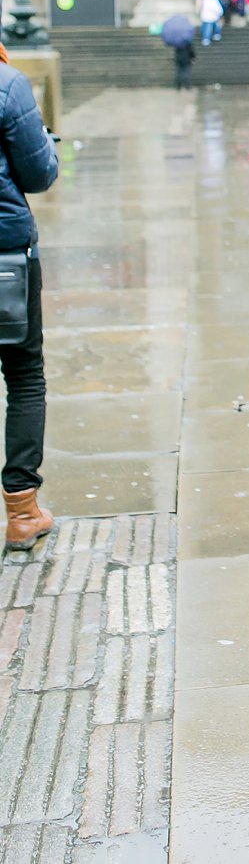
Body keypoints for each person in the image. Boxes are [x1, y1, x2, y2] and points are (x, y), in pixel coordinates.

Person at [0, 40, 60, 551]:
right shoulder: (7, 84)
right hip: (5, 256)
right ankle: (22, 512)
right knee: (23, 375)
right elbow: (38, 173)